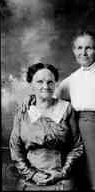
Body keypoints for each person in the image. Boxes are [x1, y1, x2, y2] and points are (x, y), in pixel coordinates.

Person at [10, 63, 84, 191]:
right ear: (31, 85)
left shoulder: (66, 109)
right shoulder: (22, 111)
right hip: (29, 179)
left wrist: (62, 172)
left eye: (50, 82)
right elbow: (15, 149)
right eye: (39, 82)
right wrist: (31, 174)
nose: (46, 86)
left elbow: (77, 147)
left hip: (61, 179)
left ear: (55, 83)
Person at [54, 29, 95, 190]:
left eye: (89, 48)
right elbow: (51, 97)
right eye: (79, 48)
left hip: (92, 129)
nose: (83, 53)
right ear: (73, 50)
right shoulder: (73, 78)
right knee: (79, 177)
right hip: (76, 130)